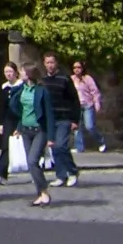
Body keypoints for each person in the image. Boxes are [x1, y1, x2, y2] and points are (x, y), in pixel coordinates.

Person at [10, 64, 57, 208]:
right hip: (25, 130)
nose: (20, 73)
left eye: (23, 71)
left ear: (29, 74)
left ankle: (44, 192)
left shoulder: (41, 91)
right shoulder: (21, 90)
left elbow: (49, 114)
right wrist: (18, 127)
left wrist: (51, 137)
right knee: (33, 164)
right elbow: (20, 109)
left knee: (32, 160)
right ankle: (40, 194)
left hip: (39, 130)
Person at [41, 54, 82, 187]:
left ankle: (72, 171)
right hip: (50, 120)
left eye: (52, 62)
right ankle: (60, 175)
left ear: (56, 63)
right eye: (47, 62)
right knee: (54, 147)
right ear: (44, 64)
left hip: (64, 118)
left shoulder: (65, 79)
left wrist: (75, 120)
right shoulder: (43, 81)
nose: (50, 65)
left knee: (61, 145)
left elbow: (74, 100)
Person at [0, 61, 25, 185]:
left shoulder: (22, 86)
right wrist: (0, 123)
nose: (8, 74)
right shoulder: (4, 87)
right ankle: (1, 173)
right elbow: (1, 107)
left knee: (27, 146)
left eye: (10, 71)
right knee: (5, 146)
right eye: (6, 72)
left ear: (16, 73)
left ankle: (35, 171)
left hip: (21, 118)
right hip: (8, 119)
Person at [70, 61, 107, 153]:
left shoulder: (87, 79)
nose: (76, 69)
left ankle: (101, 142)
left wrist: (97, 103)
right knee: (77, 127)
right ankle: (79, 147)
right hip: (76, 106)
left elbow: (95, 92)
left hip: (87, 105)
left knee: (89, 126)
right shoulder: (71, 79)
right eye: (74, 68)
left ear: (82, 68)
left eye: (78, 67)